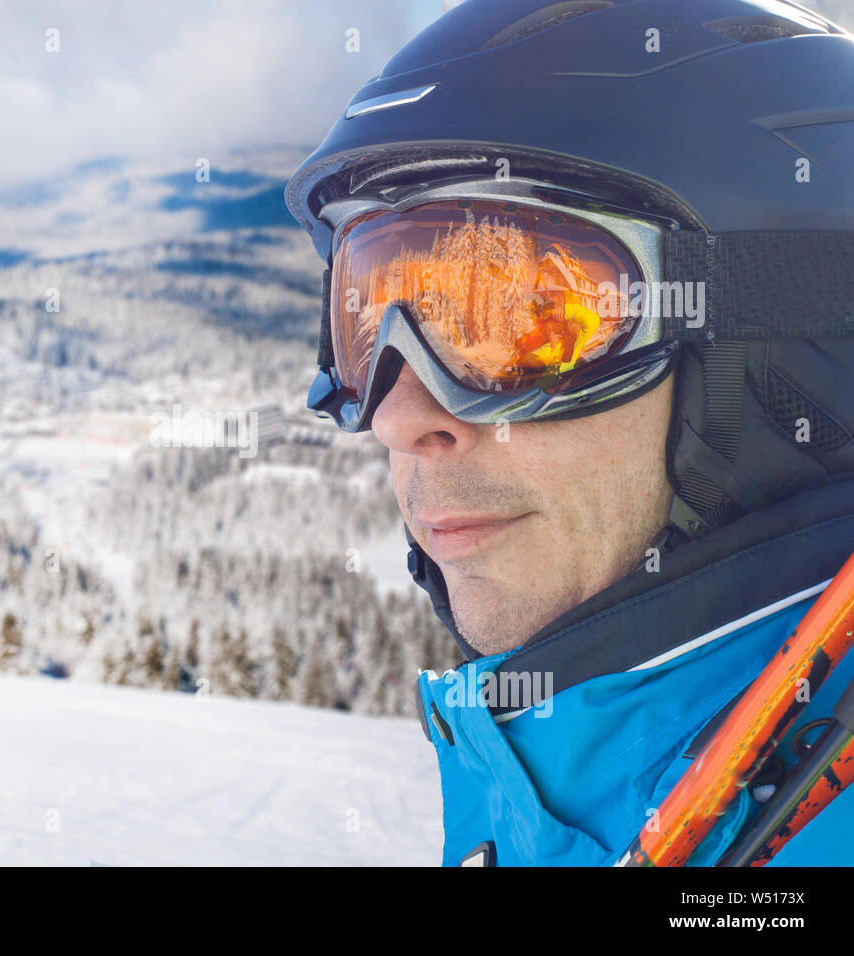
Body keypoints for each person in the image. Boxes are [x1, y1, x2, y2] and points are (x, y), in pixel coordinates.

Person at [285, 0, 854, 866]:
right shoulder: (545, 795)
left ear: (785, 353)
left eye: (527, 323)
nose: (398, 418)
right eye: (366, 326)